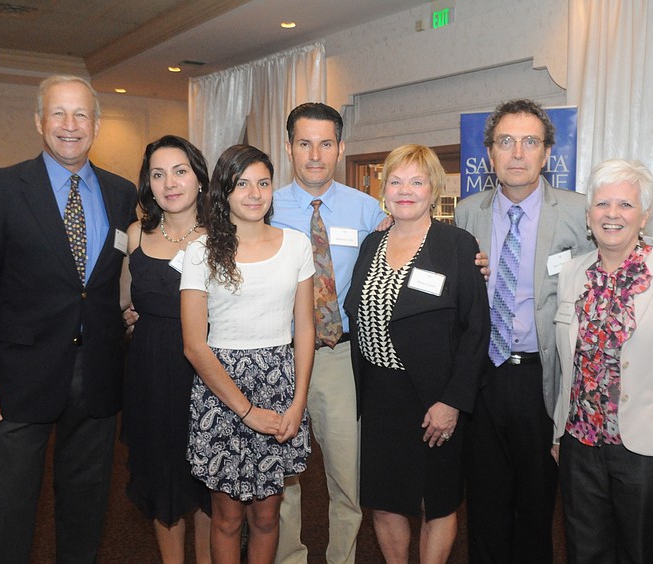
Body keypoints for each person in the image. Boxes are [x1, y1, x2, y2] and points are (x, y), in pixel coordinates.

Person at [454, 98, 653, 563]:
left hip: (546, 380)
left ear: (547, 153)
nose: (517, 153)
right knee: (486, 507)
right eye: (505, 142)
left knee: (539, 510)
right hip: (484, 379)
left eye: (529, 142)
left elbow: (628, 240)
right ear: (489, 153)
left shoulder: (578, 210)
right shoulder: (466, 213)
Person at [0, 75, 137, 563]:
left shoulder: (123, 193)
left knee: (86, 506)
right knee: (7, 508)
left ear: (96, 125)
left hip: (97, 377)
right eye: (59, 113)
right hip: (18, 379)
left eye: (81, 115)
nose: (70, 125)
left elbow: (114, 279)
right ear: (39, 122)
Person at [551, 159, 653, 563]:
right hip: (580, 443)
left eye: (625, 205)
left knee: (640, 554)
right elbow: (568, 365)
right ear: (589, 214)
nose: (613, 214)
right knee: (583, 553)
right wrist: (559, 432)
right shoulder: (573, 274)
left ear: (644, 215)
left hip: (647, 449)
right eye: (603, 204)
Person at [344, 144, 490, 563]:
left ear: (433, 190)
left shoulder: (457, 246)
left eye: (416, 181)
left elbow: (476, 329)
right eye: (395, 181)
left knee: (436, 502)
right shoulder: (371, 245)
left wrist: (452, 401)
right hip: (379, 395)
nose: (405, 190)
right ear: (384, 190)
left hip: (434, 396)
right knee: (385, 499)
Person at [180, 144, 315, 563]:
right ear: (224, 190)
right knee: (226, 518)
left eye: (263, 183)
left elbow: (306, 328)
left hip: (279, 384)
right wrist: (245, 410)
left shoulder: (296, 245)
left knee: (268, 517)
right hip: (221, 389)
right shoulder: (201, 252)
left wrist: (298, 402)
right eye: (243, 184)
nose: (255, 193)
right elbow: (194, 345)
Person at [272, 102, 386, 564]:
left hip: (340, 357)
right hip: (278, 358)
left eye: (325, 143)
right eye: (304, 143)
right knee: (281, 480)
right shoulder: (264, 204)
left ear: (340, 148)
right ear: (289, 148)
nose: (314, 154)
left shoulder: (367, 208)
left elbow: (401, 258)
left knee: (347, 477)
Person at [120, 135, 212, 563]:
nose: (170, 183)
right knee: (162, 480)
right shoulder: (137, 233)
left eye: (180, 171)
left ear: (198, 178)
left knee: (210, 486)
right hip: (151, 371)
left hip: (209, 371)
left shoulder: (222, 236)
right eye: (158, 174)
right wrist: (127, 314)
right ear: (148, 184)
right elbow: (125, 299)